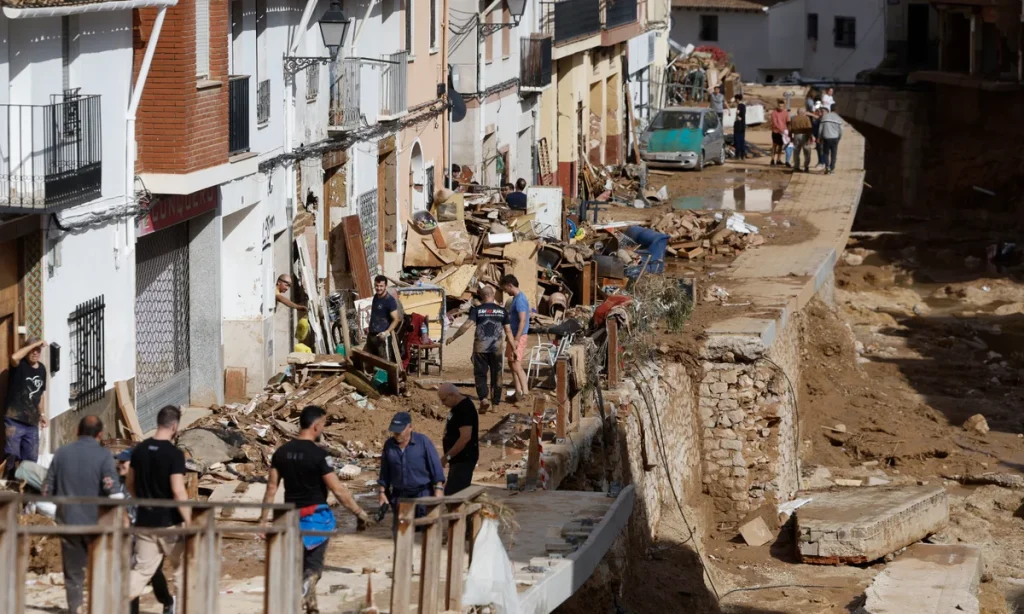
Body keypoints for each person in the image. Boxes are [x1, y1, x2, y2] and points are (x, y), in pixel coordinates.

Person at [261, 405, 371, 614]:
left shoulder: (281, 453)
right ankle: (310, 580)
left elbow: (271, 489)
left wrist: (262, 520)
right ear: (316, 426)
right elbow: (337, 489)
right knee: (313, 565)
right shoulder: (319, 455)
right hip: (316, 517)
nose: (323, 428)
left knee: (294, 565)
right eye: (323, 424)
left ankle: (302, 602)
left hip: (288, 517)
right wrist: (359, 512)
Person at [42, 416, 119, 614]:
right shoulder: (104, 456)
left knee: (73, 574)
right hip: (96, 523)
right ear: (100, 434)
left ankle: (75, 608)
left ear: (77, 430)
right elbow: (113, 492)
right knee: (99, 569)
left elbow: (46, 490)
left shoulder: (61, 453)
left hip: (68, 521)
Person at [127, 406, 191, 609]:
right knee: (182, 569)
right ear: (175, 426)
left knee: (141, 571)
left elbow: (130, 483)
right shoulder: (174, 454)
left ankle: (110, 604)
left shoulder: (139, 450)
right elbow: (178, 491)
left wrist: (142, 502)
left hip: (144, 522)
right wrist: (190, 521)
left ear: (158, 422)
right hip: (169, 524)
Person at [113, 448, 175, 614]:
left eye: (123, 461)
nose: (119, 464)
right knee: (130, 573)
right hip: (126, 536)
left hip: (148, 535)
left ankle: (167, 601)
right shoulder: (116, 483)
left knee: (153, 573)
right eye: (119, 461)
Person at [445, 285, 514, 412]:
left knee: (480, 375)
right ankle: (495, 405)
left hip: (480, 348)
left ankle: (484, 399)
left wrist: (453, 337)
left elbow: (466, 326)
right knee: (497, 375)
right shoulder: (502, 311)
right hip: (496, 349)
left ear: (482, 297)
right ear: (493, 295)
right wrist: (514, 348)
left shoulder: (477, 310)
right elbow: (508, 331)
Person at [376, 411, 445, 531]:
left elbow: (436, 467)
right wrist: (382, 492)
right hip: (400, 496)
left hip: (422, 495)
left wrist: (438, 489)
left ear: (410, 427)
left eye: (400, 431)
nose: (396, 434)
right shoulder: (389, 445)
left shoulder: (423, 442)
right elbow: (384, 472)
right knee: (402, 532)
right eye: (395, 431)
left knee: (425, 532)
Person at [4, 337, 48, 477]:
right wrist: (36, 343)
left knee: (31, 458)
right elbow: (14, 357)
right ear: (27, 350)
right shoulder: (19, 365)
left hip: (32, 422)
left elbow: (40, 394)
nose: (35, 353)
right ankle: (9, 482)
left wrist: (42, 414)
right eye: (32, 350)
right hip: (14, 419)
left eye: (38, 350)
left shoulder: (42, 369)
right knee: (12, 455)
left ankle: (26, 485)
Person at [437, 384, 479, 496]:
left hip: (463, 458)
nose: (443, 403)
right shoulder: (456, 407)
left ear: (452, 395)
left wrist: (447, 457)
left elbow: (465, 437)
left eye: (444, 400)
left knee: (454, 495)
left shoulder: (464, 409)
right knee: (452, 492)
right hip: (456, 459)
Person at [501, 274, 530, 403]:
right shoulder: (516, 299)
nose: (505, 291)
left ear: (510, 285)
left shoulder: (520, 300)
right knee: (511, 362)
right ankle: (518, 392)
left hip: (518, 336)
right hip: (512, 336)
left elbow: (522, 320)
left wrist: (517, 339)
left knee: (516, 364)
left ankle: (525, 393)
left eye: (505, 289)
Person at [365, 275, 400, 361]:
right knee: (368, 361)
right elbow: (376, 314)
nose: (379, 288)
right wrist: (369, 327)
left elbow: (396, 319)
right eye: (377, 286)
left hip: (382, 338)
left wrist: (386, 332)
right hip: (371, 336)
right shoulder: (375, 297)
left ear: (385, 286)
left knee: (384, 363)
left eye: (381, 286)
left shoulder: (390, 301)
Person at [820, 104, 843, 175]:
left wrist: (819, 137)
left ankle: (827, 167)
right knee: (834, 154)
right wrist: (839, 138)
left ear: (830, 109)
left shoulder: (825, 117)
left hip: (826, 138)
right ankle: (832, 169)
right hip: (835, 138)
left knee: (826, 153)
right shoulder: (838, 118)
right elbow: (841, 131)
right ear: (837, 110)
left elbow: (820, 129)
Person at [789, 108, 814, 173]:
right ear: (803, 112)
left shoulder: (793, 118)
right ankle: (806, 167)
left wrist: (791, 137)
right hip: (805, 136)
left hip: (796, 135)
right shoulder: (806, 118)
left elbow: (790, 129)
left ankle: (796, 167)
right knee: (807, 152)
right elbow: (809, 128)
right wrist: (811, 137)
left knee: (796, 152)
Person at [769, 99, 790, 167]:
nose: (781, 107)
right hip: (776, 131)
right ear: (777, 106)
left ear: (784, 106)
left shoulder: (786, 113)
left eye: (782, 106)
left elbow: (788, 122)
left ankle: (778, 159)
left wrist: (788, 130)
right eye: (779, 106)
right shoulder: (774, 113)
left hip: (783, 132)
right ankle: (772, 159)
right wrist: (781, 129)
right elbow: (775, 123)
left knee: (781, 146)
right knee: (774, 146)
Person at [733, 94, 747, 161]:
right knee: (742, 140)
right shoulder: (743, 106)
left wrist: (738, 119)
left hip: (739, 126)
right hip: (742, 126)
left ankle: (738, 155)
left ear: (737, 99)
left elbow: (740, 116)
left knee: (738, 140)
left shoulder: (740, 106)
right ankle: (742, 155)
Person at [811, 103, 825, 169]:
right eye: (817, 111)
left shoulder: (821, 118)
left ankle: (822, 162)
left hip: (821, 137)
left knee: (821, 150)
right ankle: (820, 162)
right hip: (816, 137)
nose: (818, 113)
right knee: (818, 150)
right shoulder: (815, 119)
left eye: (819, 112)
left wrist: (811, 114)